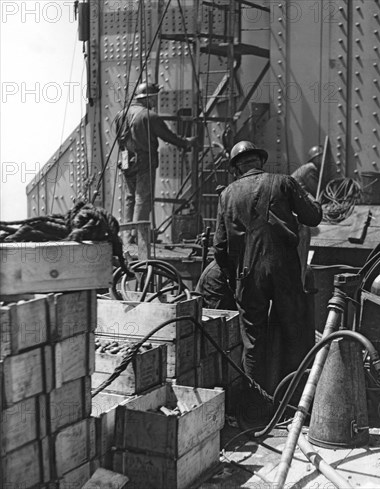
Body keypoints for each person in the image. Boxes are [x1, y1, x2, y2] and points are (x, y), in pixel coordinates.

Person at [213, 141, 322, 412]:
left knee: (253, 342)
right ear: (259, 162)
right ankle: (294, 406)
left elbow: (219, 247)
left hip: (248, 274)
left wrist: (233, 277)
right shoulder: (284, 182)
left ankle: (256, 409)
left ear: (237, 168)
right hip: (284, 268)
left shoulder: (226, 195)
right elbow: (313, 217)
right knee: (294, 334)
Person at [114, 82, 198, 242]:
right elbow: (168, 136)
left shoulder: (121, 115)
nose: (155, 102)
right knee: (142, 198)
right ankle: (139, 237)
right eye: (153, 98)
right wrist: (186, 142)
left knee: (130, 197)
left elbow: (119, 139)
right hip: (143, 161)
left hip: (125, 159)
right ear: (148, 98)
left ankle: (127, 236)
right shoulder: (149, 116)